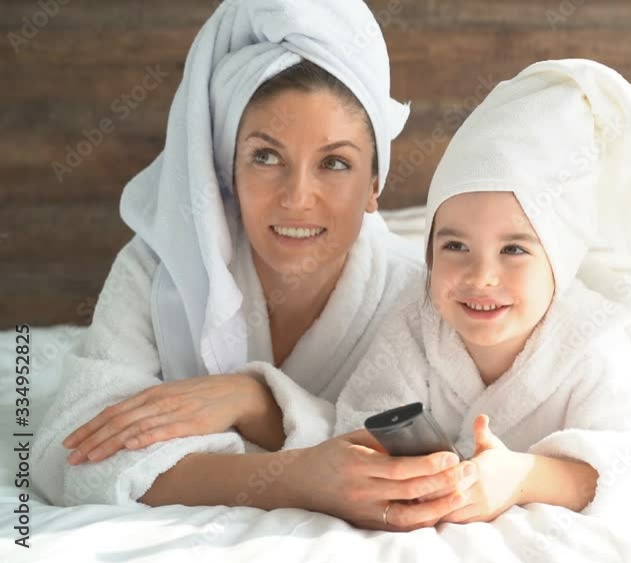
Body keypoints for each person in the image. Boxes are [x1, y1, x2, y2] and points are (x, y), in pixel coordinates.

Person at [33, 0, 476, 532]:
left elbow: (441, 460)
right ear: (227, 171)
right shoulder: (160, 269)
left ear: (374, 187)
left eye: (335, 163)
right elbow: (71, 456)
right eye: (266, 157)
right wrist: (294, 476)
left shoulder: (420, 297)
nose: (297, 197)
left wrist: (254, 402)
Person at [332, 59, 631, 525]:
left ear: (561, 261)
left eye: (514, 248)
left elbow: (629, 463)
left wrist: (521, 479)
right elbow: (363, 419)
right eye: (454, 245)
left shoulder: (591, 342)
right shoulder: (415, 324)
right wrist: (412, 472)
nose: (481, 275)